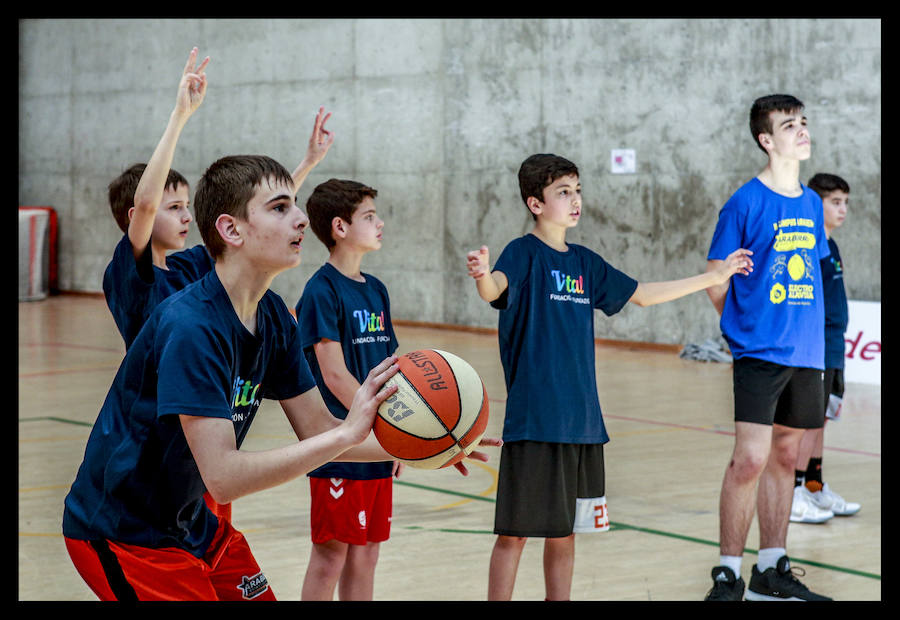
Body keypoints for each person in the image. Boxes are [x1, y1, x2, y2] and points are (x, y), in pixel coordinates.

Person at [62, 151, 498, 601]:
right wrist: (345, 435)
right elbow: (225, 477)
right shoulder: (191, 326)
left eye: (296, 204)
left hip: (190, 521)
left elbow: (321, 428)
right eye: (280, 208)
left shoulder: (273, 315)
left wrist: (436, 442)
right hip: (125, 530)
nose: (301, 220)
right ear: (231, 230)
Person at [466, 153, 753, 601]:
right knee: (514, 534)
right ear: (535, 204)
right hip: (535, 421)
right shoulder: (523, 253)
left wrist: (713, 276)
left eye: (577, 190)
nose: (575, 199)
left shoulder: (585, 262)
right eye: (563, 192)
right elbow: (495, 288)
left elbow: (641, 295)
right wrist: (482, 275)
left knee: (565, 535)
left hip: (582, 424)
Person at [104, 48, 334, 351]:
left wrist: (307, 164)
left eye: (186, 206)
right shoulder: (128, 273)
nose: (187, 217)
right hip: (158, 393)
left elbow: (269, 205)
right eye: (174, 208)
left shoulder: (190, 264)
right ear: (136, 218)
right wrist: (180, 116)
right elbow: (147, 204)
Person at [703, 95, 833, 601]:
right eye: (789, 125)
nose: (801, 131)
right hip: (760, 352)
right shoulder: (745, 202)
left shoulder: (810, 204)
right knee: (749, 460)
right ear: (766, 139)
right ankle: (728, 572)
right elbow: (716, 278)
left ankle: (771, 568)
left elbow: (812, 273)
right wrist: (741, 331)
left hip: (806, 353)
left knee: (785, 456)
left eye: (803, 123)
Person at [294, 179, 399, 600]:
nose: (380, 223)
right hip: (341, 441)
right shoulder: (321, 290)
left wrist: (398, 433)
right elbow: (334, 376)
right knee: (331, 554)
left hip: (375, 436)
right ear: (340, 226)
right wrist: (380, 425)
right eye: (369, 217)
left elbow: (392, 367)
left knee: (368, 552)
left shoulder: (376, 290)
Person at [790, 173, 860, 522]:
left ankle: (814, 486)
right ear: (816, 205)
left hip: (834, 345)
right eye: (835, 202)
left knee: (820, 421)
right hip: (814, 346)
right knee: (804, 421)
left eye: (846, 202)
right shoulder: (810, 246)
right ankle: (792, 491)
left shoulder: (832, 246)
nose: (842, 209)